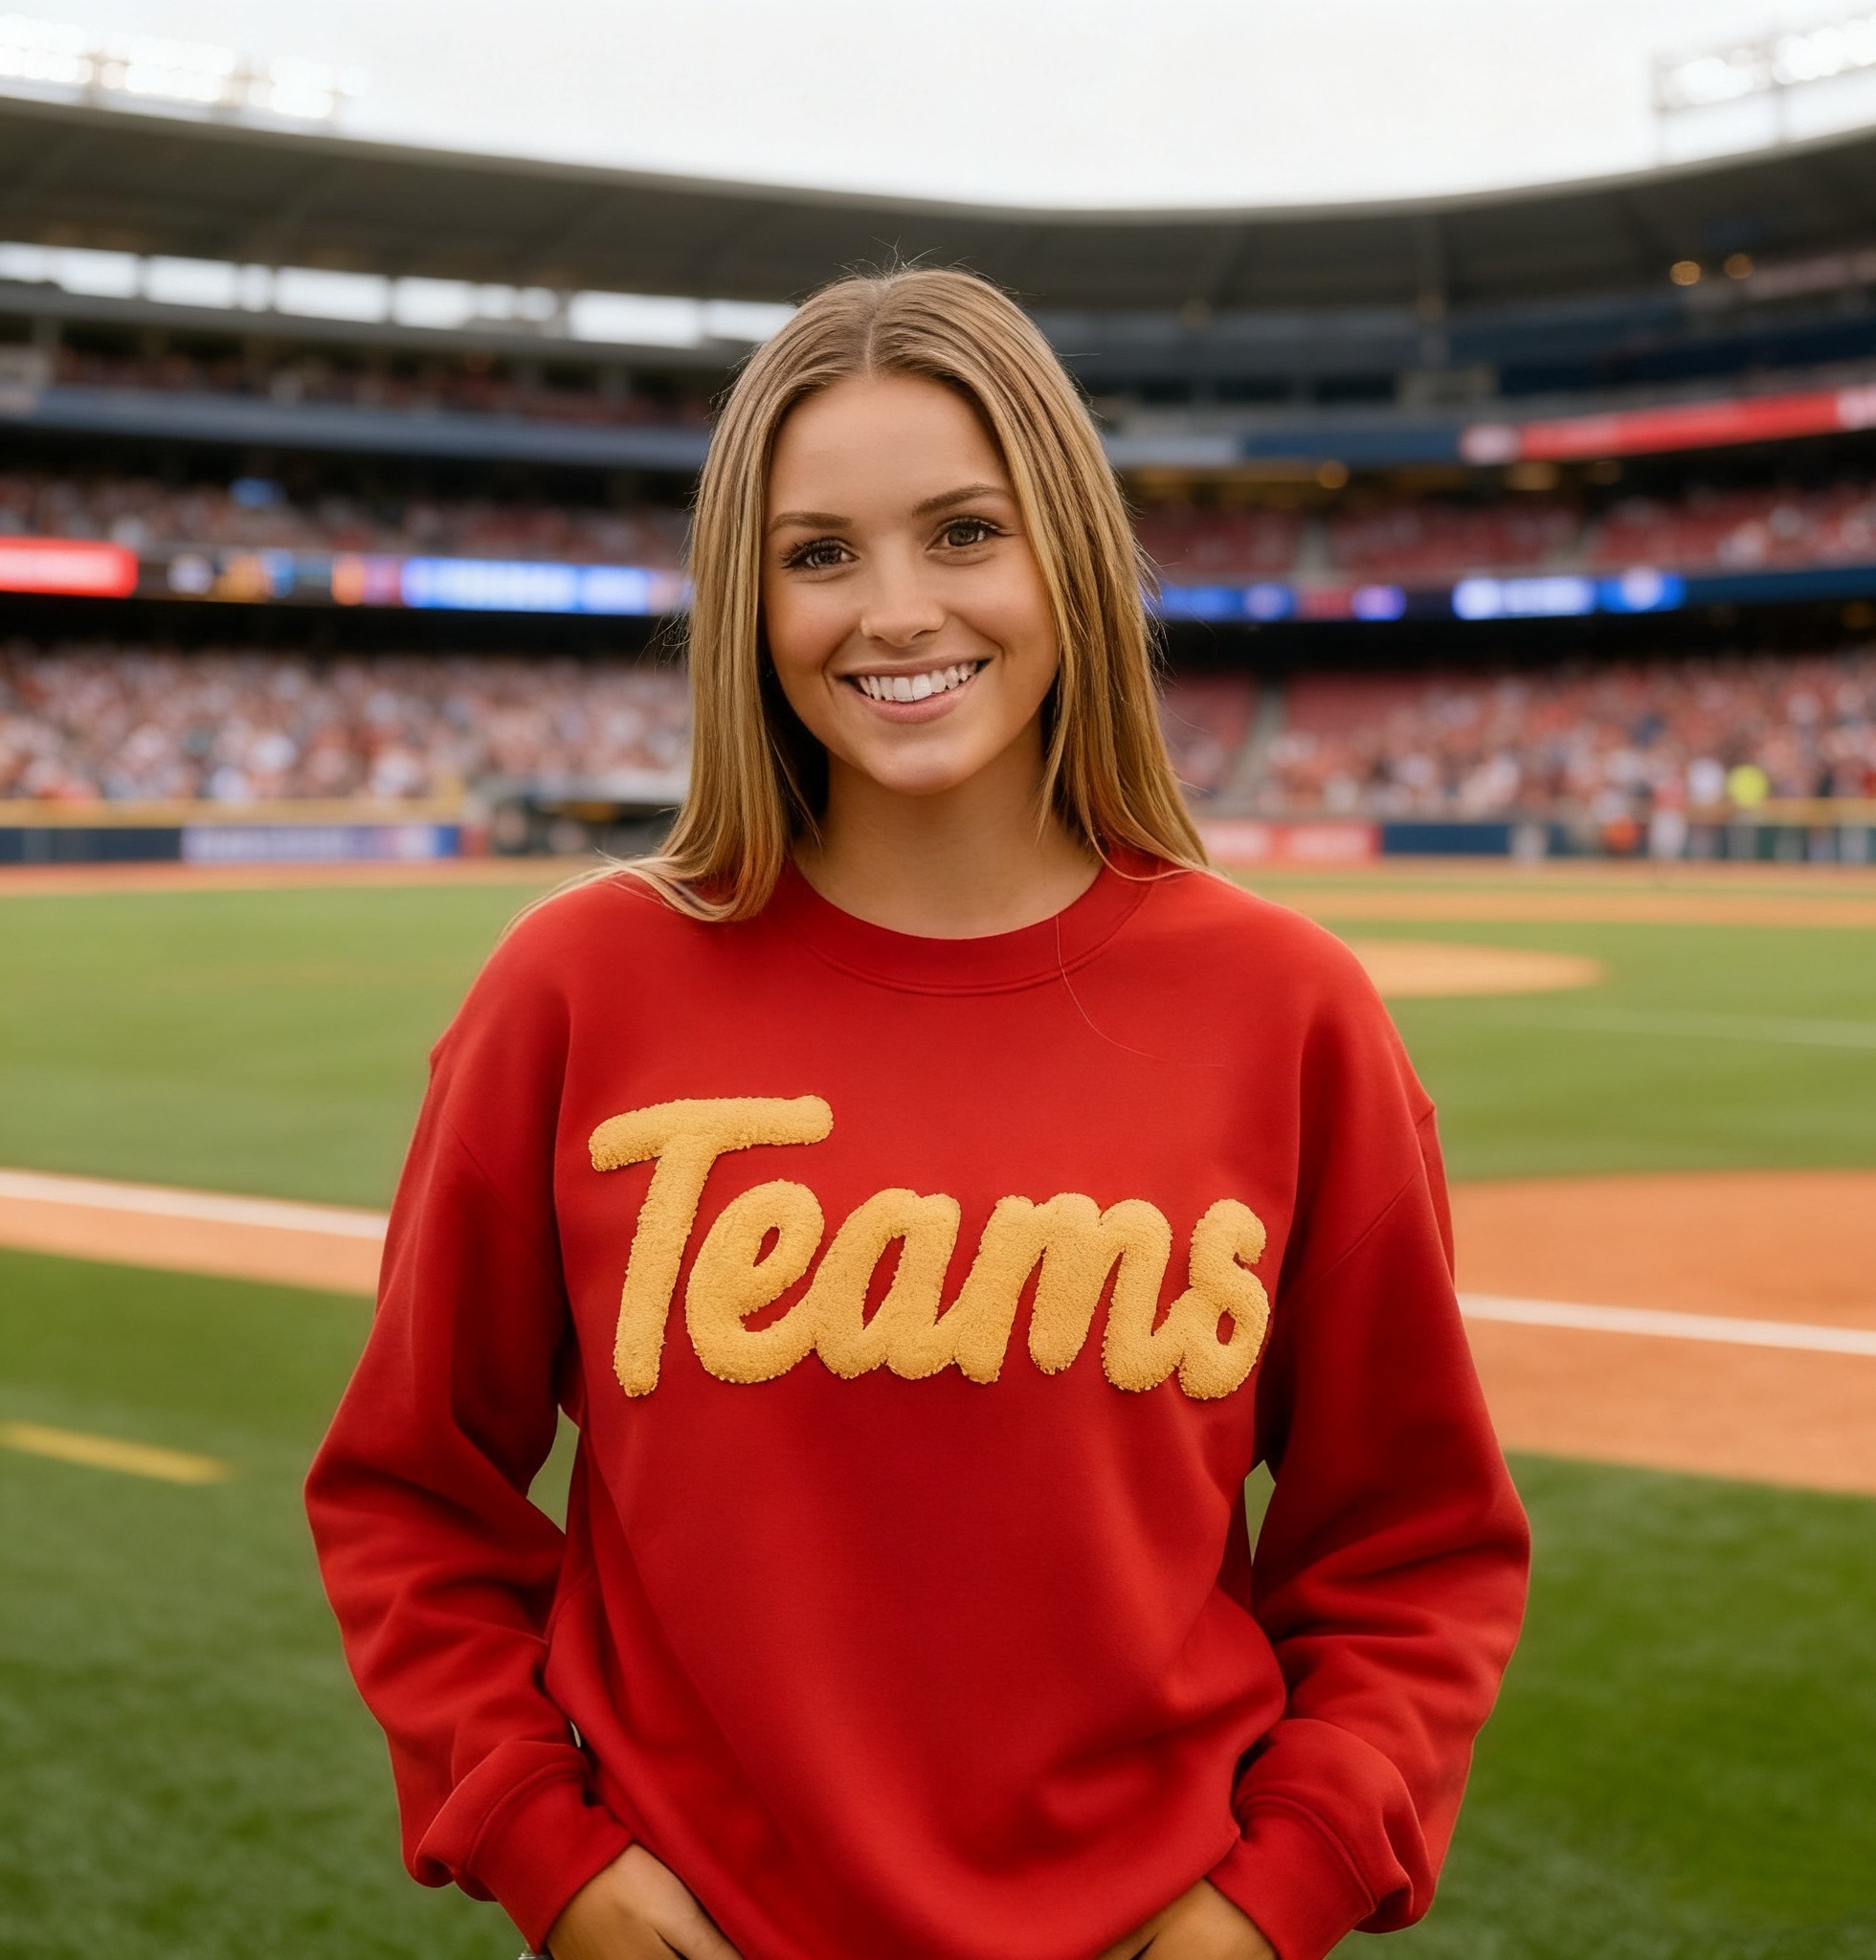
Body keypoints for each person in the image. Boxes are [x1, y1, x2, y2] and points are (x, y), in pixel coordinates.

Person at [304, 268, 1530, 1960]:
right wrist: (548, 1848)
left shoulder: (1290, 1011)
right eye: (820, 554)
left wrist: (1275, 1896)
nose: (894, 609)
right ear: (749, 599)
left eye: (964, 532)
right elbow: (409, 1496)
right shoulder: (575, 990)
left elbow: (1414, 1544)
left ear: (1069, 557)